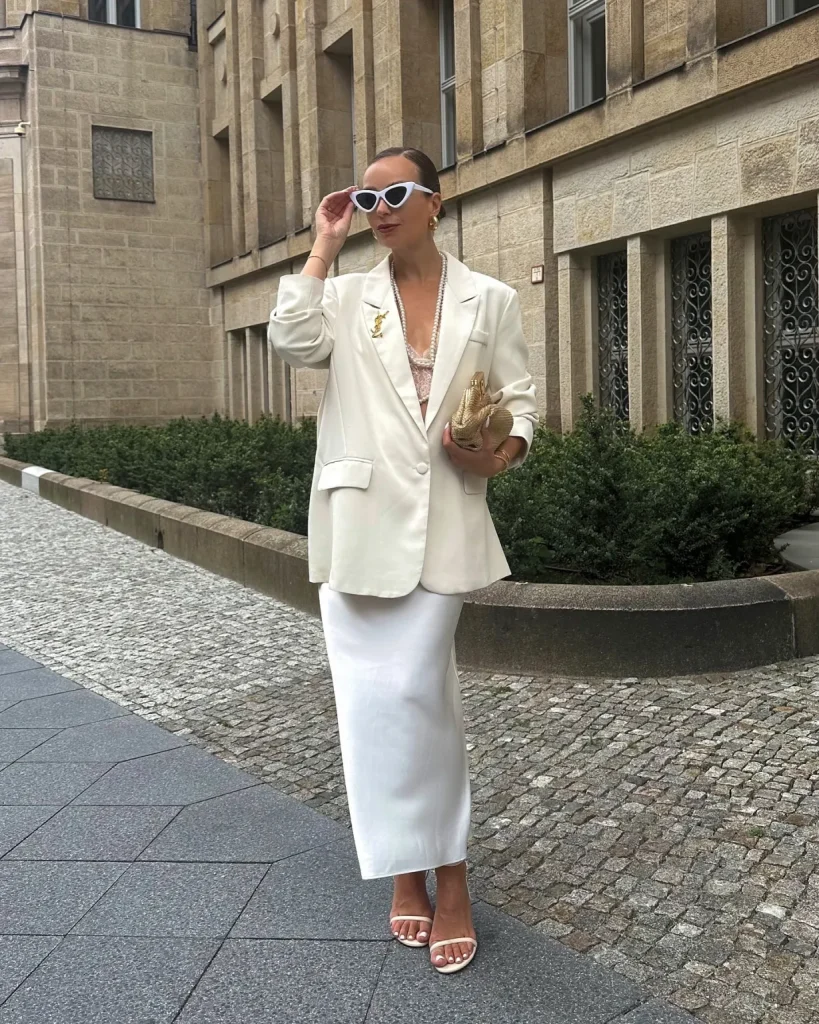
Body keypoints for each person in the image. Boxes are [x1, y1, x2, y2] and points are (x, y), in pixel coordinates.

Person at [268, 146, 538, 975]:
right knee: (370, 710)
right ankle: (403, 872)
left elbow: (519, 400)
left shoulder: (489, 298)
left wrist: (499, 455)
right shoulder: (343, 296)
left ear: (434, 201)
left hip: (445, 521)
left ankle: (449, 875)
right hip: (357, 526)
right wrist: (323, 244)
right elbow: (289, 338)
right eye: (366, 198)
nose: (379, 209)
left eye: (394, 194)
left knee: (422, 700)